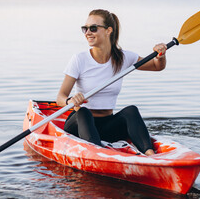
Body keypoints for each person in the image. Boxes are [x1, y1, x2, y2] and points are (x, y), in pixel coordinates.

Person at [56, 9, 167, 156]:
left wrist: (160, 55)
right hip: (80, 125)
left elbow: (156, 66)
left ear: (108, 30)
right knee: (83, 112)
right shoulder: (79, 59)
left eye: (93, 28)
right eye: (85, 28)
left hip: (107, 126)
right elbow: (60, 98)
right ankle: (97, 155)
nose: (88, 32)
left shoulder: (123, 57)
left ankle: (150, 155)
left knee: (131, 111)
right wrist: (70, 100)